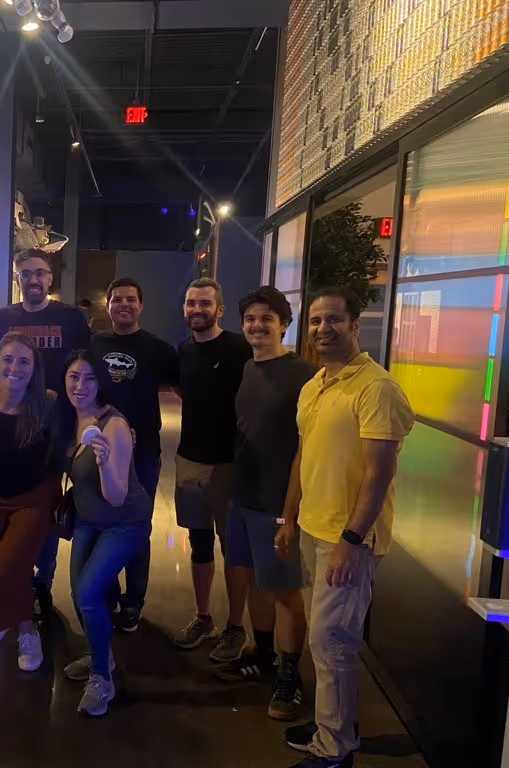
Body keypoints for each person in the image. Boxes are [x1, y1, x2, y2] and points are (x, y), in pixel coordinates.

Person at [282, 287, 413, 768]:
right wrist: (289, 516)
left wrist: (351, 542)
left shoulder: (375, 387)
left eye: (334, 320)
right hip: (313, 529)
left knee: (330, 640)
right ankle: (332, 724)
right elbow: (305, 455)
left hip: (348, 539)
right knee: (326, 637)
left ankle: (334, 748)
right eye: (316, 321)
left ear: (356, 323)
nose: (322, 329)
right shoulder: (315, 383)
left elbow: (379, 474)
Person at [214, 287, 319, 723]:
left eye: (267, 319)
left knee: (283, 589)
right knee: (253, 579)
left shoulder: (305, 375)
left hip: (276, 503)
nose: (258, 326)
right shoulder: (248, 369)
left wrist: (291, 513)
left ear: (284, 324)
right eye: (251, 319)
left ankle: (291, 676)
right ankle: (262, 655)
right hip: (242, 496)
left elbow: (306, 448)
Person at [0, 251, 91, 614]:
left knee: (48, 507)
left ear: (50, 278)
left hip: (59, 428)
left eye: (40, 273)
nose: (33, 279)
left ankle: (41, 581)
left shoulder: (70, 318)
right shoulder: (4, 317)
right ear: (17, 278)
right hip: (12, 428)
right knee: (11, 504)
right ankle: (10, 574)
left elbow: (85, 369)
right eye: (25, 273)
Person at [58, 351, 151, 717]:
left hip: (123, 520)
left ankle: (102, 678)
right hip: (86, 519)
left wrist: (102, 461)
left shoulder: (113, 425)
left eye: (90, 379)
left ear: (102, 383)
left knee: (90, 592)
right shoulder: (70, 416)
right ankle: (102, 655)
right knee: (77, 592)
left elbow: (115, 495)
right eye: (74, 377)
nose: (80, 386)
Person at [0, 332, 58, 672]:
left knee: (5, 570)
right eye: (7, 359)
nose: (14, 367)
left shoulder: (47, 401)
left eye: (23, 361)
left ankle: (26, 630)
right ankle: (1, 621)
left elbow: (75, 436)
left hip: (31, 501)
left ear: (34, 368)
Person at [171, 277, 253, 662]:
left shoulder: (239, 348)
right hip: (190, 459)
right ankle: (204, 618)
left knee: (234, 547)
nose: (197, 310)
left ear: (219, 309)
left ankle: (236, 627)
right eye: (191, 303)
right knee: (200, 543)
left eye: (205, 303)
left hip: (229, 463)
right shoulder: (184, 349)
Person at [92, 277, 179, 631]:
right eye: (117, 299)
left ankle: (133, 601)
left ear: (140, 306)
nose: (124, 305)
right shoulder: (94, 344)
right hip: (102, 448)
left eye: (131, 299)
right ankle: (108, 594)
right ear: (108, 305)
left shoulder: (158, 349)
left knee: (138, 526)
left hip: (143, 451)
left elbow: (182, 388)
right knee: (103, 523)